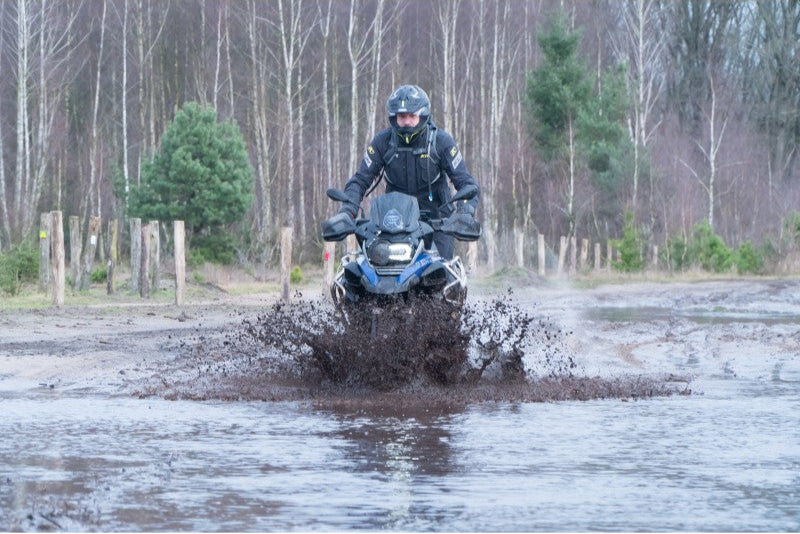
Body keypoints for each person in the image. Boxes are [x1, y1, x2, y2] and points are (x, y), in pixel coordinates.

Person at [331, 84, 479, 259]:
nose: (407, 121)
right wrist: (347, 211)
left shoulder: (442, 141)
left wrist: (464, 211)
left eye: (412, 116)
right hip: (393, 223)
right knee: (363, 272)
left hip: (438, 222)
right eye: (402, 116)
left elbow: (467, 184)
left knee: (444, 274)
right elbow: (360, 180)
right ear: (394, 117)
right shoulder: (382, 142)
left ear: (423, 115)